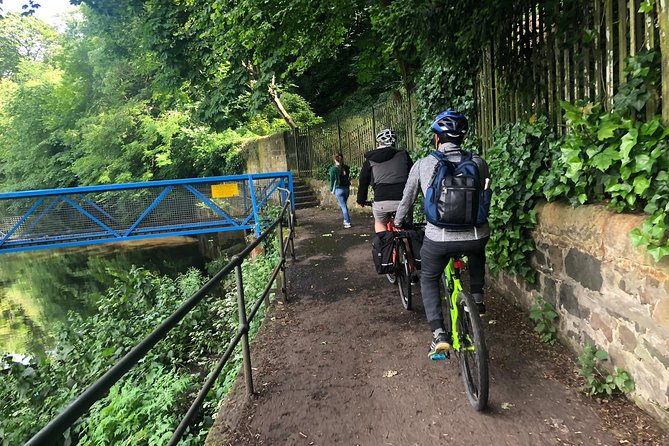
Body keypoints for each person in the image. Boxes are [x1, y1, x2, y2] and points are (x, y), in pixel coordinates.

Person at [393, 109, 491, 360]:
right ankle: (477, 298)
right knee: (477, 249)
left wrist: (399, 221)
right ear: (462, 138)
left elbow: (407, 200)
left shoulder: (424, 164)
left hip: (439, 238)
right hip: (475, 233)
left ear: (437, 139)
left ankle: (439, 333)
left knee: (428, 276)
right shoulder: (478, 163)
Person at [356, 128, 413, 232]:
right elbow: (412, 176)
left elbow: (363, 181)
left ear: (379, 142)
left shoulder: (370, 160)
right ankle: (407, 246)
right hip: (403, 200)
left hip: (381, 201)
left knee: (380, 223)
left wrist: (361, 199)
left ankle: (383, 245)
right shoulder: (403, 155)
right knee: (406, 229)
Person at [329, 153, 352, 228]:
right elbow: (348, 177)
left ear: (335, 160)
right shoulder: (346, 167)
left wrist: (331, 189)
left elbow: (332, 180)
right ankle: (345, 220)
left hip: (339, 189)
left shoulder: (333, 169)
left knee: (343, 206)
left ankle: (347, 222)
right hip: (346, 189)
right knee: (344, 205)